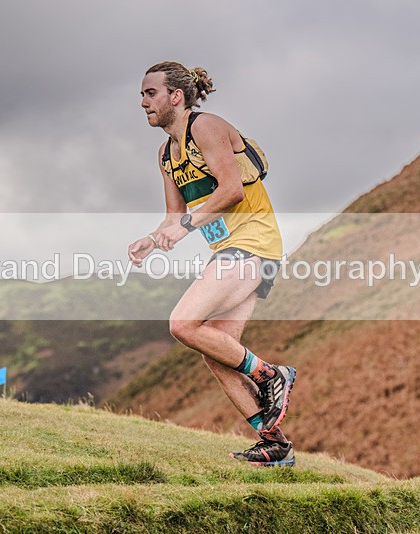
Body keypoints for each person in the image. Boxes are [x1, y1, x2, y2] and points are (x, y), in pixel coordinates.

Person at [128, 61, 297, 466]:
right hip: (230, 251)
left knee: (182, 324)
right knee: (217, 350)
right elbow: (173, 215)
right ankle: (274, 445)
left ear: (176, 96)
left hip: (254, 243)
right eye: (141, 96)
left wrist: (185, 226)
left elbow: (232, 190)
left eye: (150, 94)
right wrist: (152, 240)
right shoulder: (166, 153)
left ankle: (272, 375)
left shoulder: (205, 127)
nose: (143, 102)